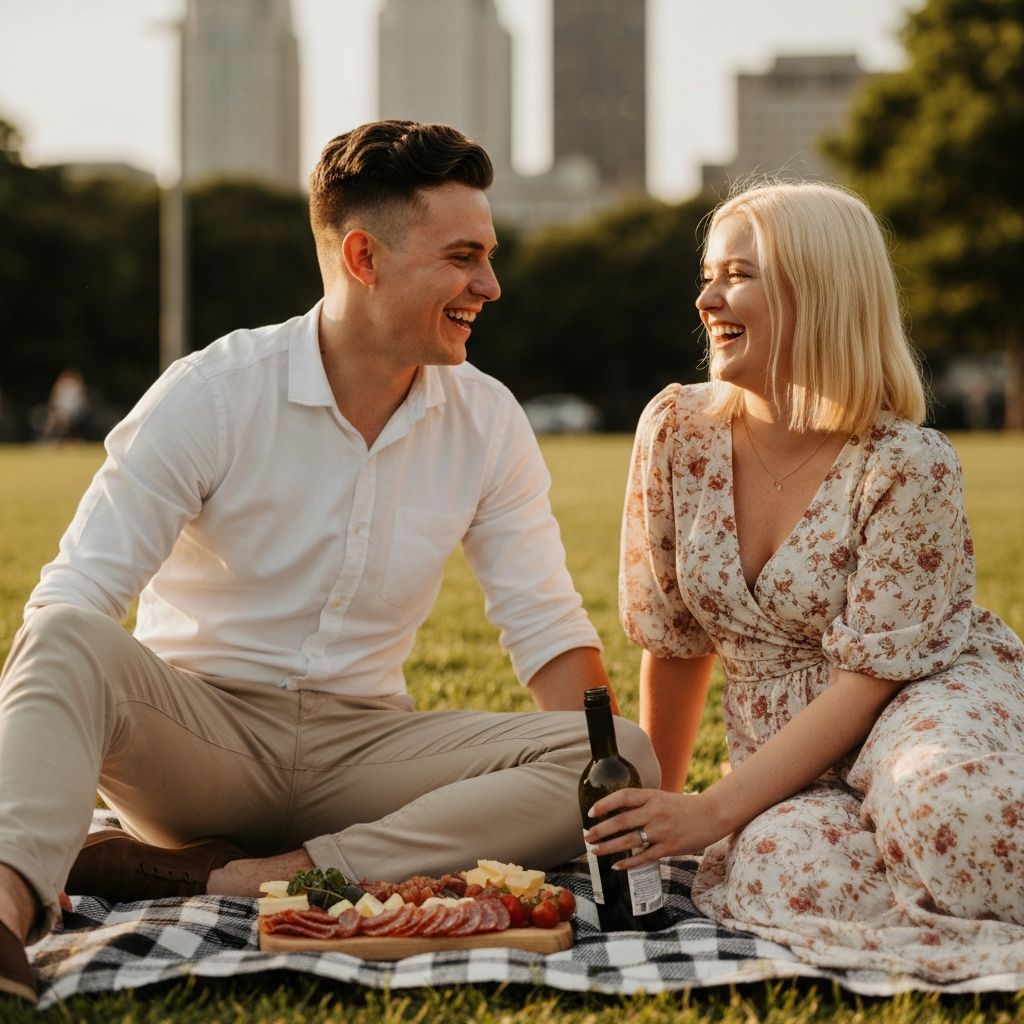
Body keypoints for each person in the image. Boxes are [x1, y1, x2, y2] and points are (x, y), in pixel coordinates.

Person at [0, 120, 658, 1004]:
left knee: (622, 754)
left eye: (489, 257)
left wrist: (604, 784)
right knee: (64, 635)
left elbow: (546, 630)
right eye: (463, 257)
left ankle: (233, 880)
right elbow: (79, 591)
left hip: (365, 759)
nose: (489, 285)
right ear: (363, 257)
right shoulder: (214, 393)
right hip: (203, 743)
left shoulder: (488, 418)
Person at [584, 181, 1024, 981]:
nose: (707, 296)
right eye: (710, 274)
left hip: (914, 703)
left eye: (738, 275)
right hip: (781, 751)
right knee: (780, 867)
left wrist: (713, 810)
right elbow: (675, 643)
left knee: (941, 811)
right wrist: (669, 819)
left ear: (817, 289)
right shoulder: (677, 431)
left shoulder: (906, 462)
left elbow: (868, 684)